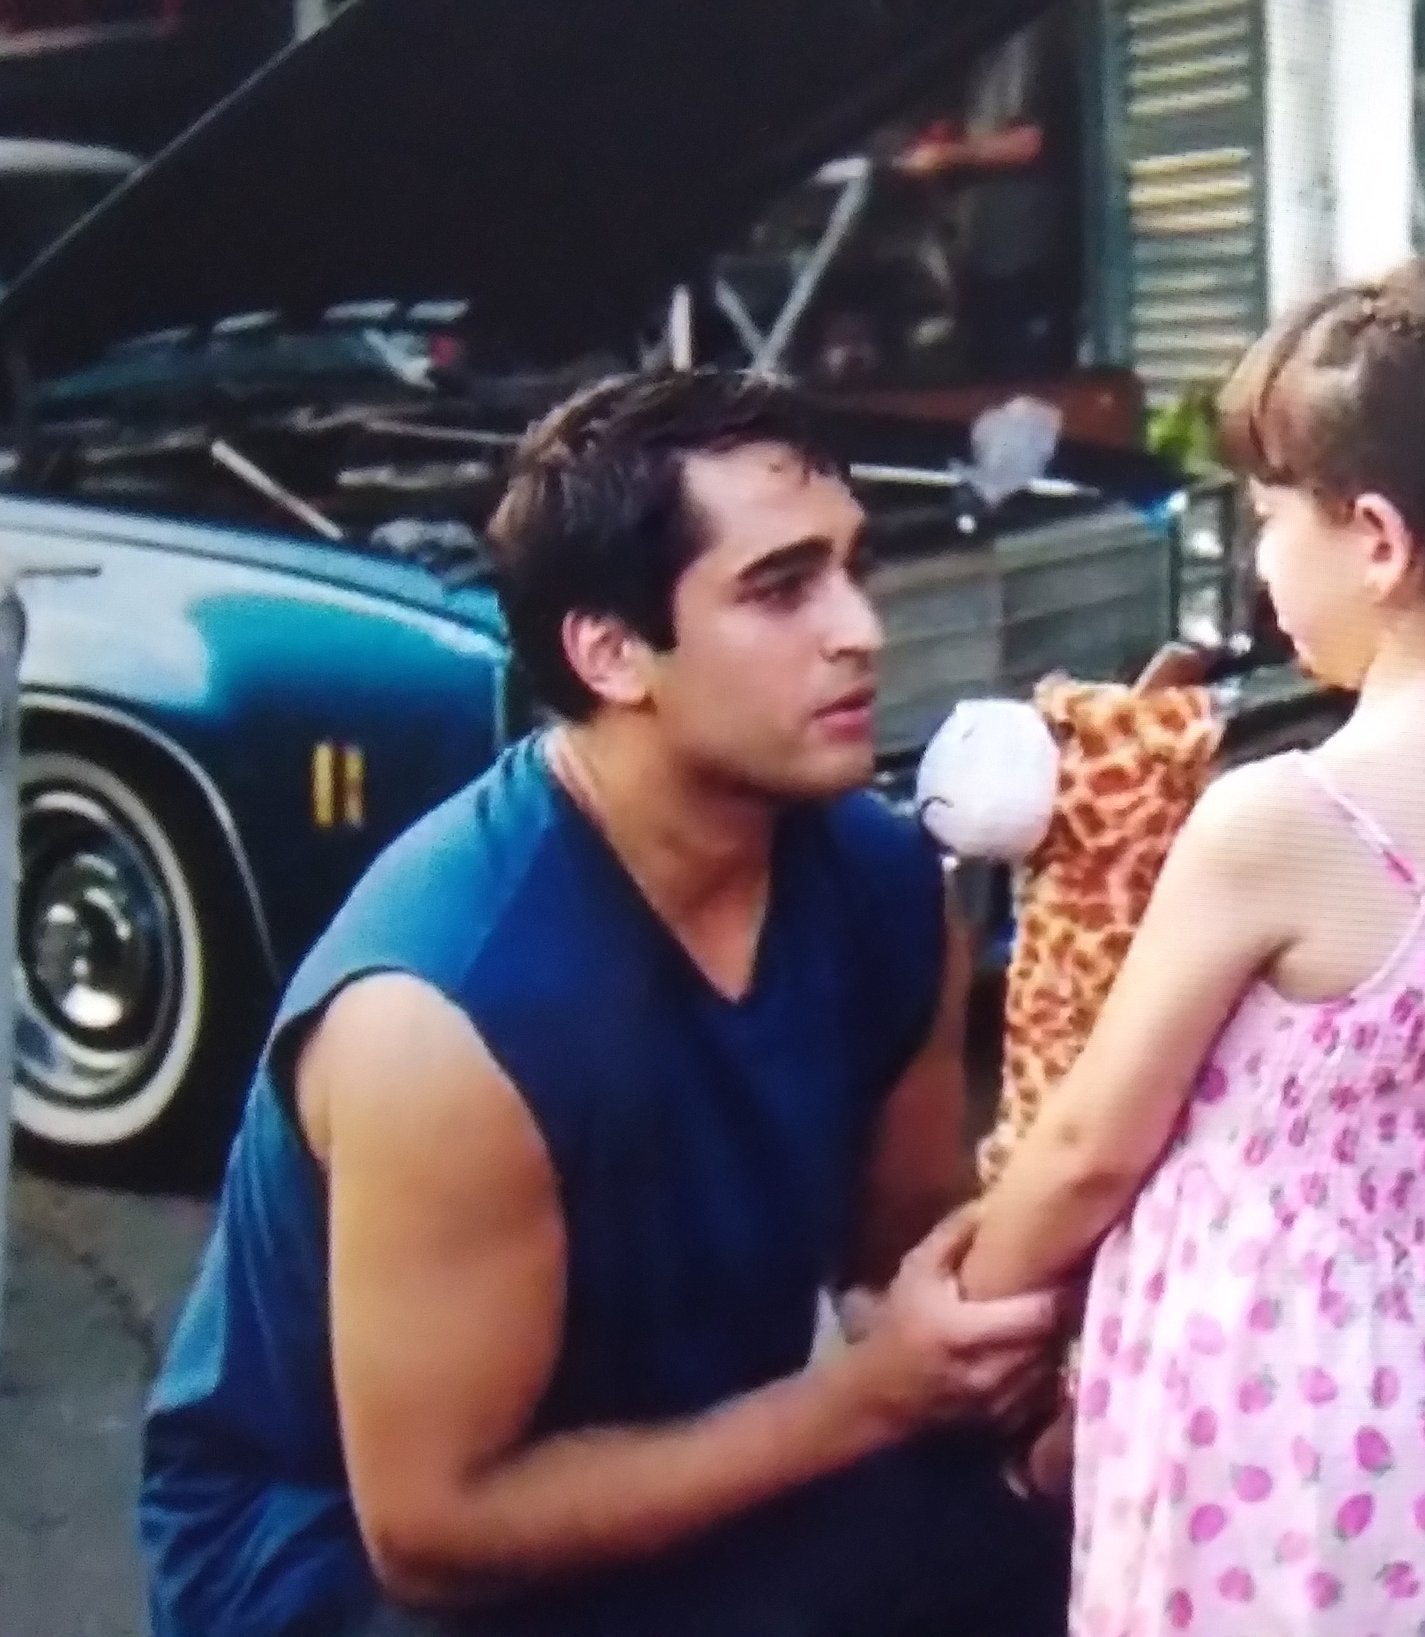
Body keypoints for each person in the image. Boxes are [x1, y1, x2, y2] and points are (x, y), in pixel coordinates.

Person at [137, 367, 1072, 1637]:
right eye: (780, 587)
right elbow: (436, 1532)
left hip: (683, 1460)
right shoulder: (446, 1015)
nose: (859, 626)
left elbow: (894, 1269)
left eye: (852, 568)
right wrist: (868, 1401)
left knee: (1074, 1517)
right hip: (339, 1560)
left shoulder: (885, 884)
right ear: (610, 650)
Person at [954, 260, 1425, 1636]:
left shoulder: (1289, 819)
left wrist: (963, 1313)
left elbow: (1090, 1145)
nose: (1257, 563)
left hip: (1269, 1419)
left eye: (1265, 517)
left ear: (1376, 538)